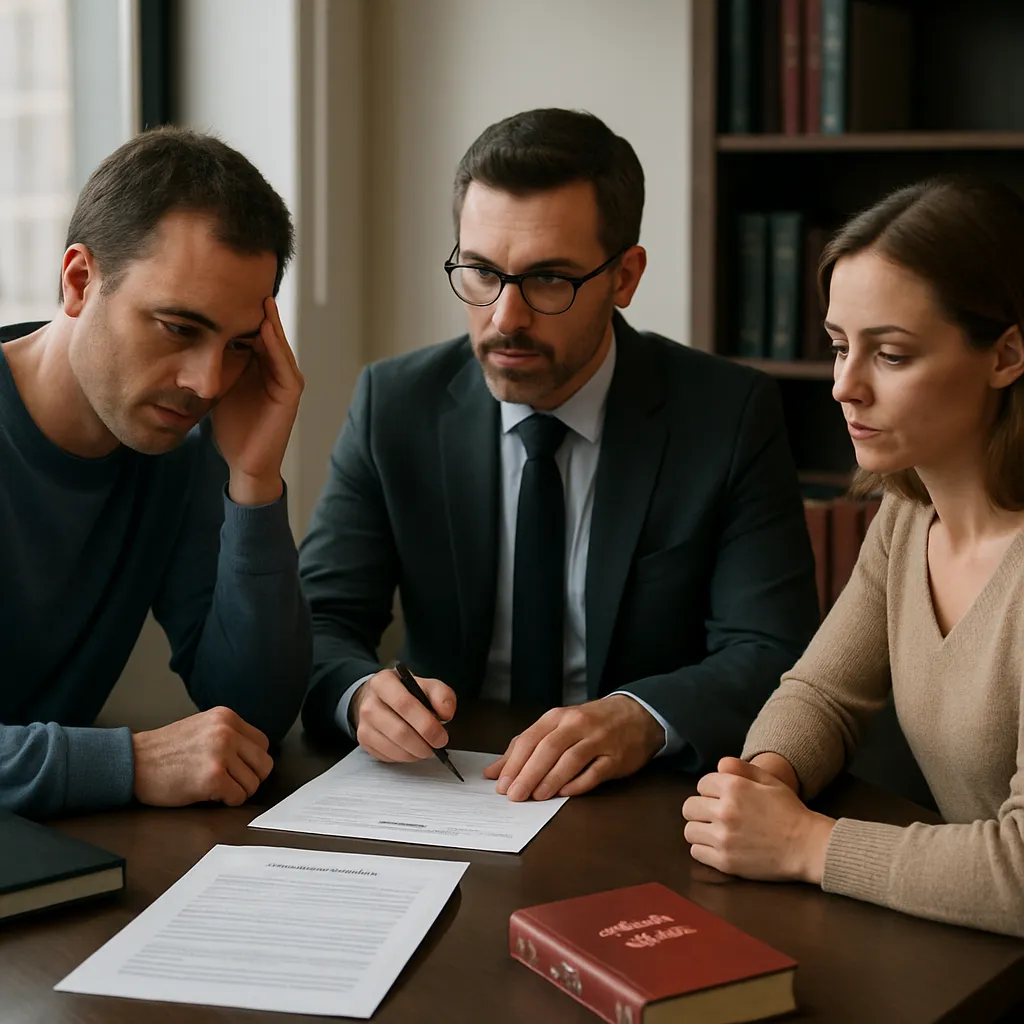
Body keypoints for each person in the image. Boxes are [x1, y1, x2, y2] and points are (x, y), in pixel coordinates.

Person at [300, 108, 818, 801]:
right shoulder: (395, 404)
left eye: (549, 280)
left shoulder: (726, 414)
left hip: (637, 799)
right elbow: (318, 620)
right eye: (481, 272)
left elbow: (771, 652)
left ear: (624, 277)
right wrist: (362, 693)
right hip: (445, 785)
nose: (506, 317)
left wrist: (642, 718)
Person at [682, 175, 1024, 939]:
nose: (844, 386)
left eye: (891, 355)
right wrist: (761, 780)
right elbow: (824, 693)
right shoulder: (906, 512)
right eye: (839, 347)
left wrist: (803, 844)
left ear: (1006, 354)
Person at [1, 127, 312, 819]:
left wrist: (254, 479)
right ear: (80, 281)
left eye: (236, 346)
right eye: (178, 327)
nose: (206, 384)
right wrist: (128, 762)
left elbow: (254, 716)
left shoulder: (176, 448)